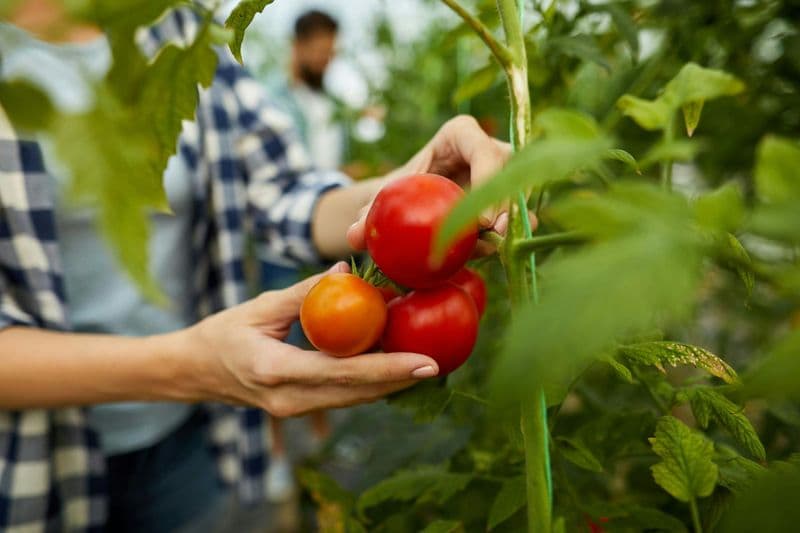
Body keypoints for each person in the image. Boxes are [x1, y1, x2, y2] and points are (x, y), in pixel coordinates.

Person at [0, 3, 513, 532]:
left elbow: (281, 191)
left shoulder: (178, 25)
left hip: (187, 444)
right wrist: (191, 366)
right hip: (32, 466)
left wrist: (409, 190)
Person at [258, 9, 344, 503]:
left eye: (333, 51)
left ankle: (318, 438)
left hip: (323, 239)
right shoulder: (270, 101)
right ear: (300, 46)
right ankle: (275, 457)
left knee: (325, 340)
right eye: (322, 50)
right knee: (279, 349)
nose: (328, 59)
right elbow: (279, 182)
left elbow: (326, 170)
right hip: (280, 244)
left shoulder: (326, 105)